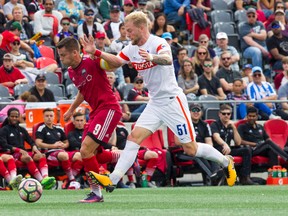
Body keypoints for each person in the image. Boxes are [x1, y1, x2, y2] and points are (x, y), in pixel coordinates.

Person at [87, 11, 237, 196]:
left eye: (130, 30)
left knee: (191, 149)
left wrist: (151, 58)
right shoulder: (131, 48)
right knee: (133, 138)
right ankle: (112, 180)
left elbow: (166, 59)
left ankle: (225, 162)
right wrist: (96, 53)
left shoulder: (158, 43)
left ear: (142, 28)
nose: (127, 34)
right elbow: (116, 62)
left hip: (173, 102)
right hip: (155, 103)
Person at [56, 36, 122, 203]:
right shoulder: (71, 71)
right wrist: (71, 109)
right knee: (93, 155)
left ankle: (96, 193)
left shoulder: (92, 61)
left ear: (75, 52)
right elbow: (83, 91)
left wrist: (97, 52)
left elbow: (117, 64)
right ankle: (124, 156)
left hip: (108, 109)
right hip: (95, 112)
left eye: (63, 55)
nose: (61, 59)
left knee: (85, 150)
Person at [0, 107, 56, 189]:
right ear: (8, 117)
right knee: (27, 157)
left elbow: (30, 141)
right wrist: (19, 150)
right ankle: (39, 181)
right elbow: (4, 144)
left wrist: (34, 147)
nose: (14, 118)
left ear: (19, 117)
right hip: (13, 152)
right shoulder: (4, 130)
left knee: (41, 156)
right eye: (12, 116)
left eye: (16, 116)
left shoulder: (22, 129)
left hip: (23, 153)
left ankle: (45, 178)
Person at [35, 108, 80, 190]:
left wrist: (64, 145)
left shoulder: (59, 128)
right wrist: (54, 146)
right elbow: (38, 143)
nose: (49, 118)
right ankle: (72, 179)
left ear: (54, 117)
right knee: (64, 155)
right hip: (49, 153)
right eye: (47, 116)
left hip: (61, 151)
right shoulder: (41, 128)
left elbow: (67, 143)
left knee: (80, 156)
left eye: (51, 116)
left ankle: (69, 180)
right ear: (43, 117)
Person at [210, 104, 255, 185]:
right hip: (217, 149)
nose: (226, 116)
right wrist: (224, 144)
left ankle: (245, 177)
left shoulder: (231, 125)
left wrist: (234, 128)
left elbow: (238, 142)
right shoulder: (215, 124)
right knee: (223, 149)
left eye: (228, 114)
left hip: (228, 150)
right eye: (224, 114)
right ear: (219, 114)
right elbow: (216, 137)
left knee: (246, 150)